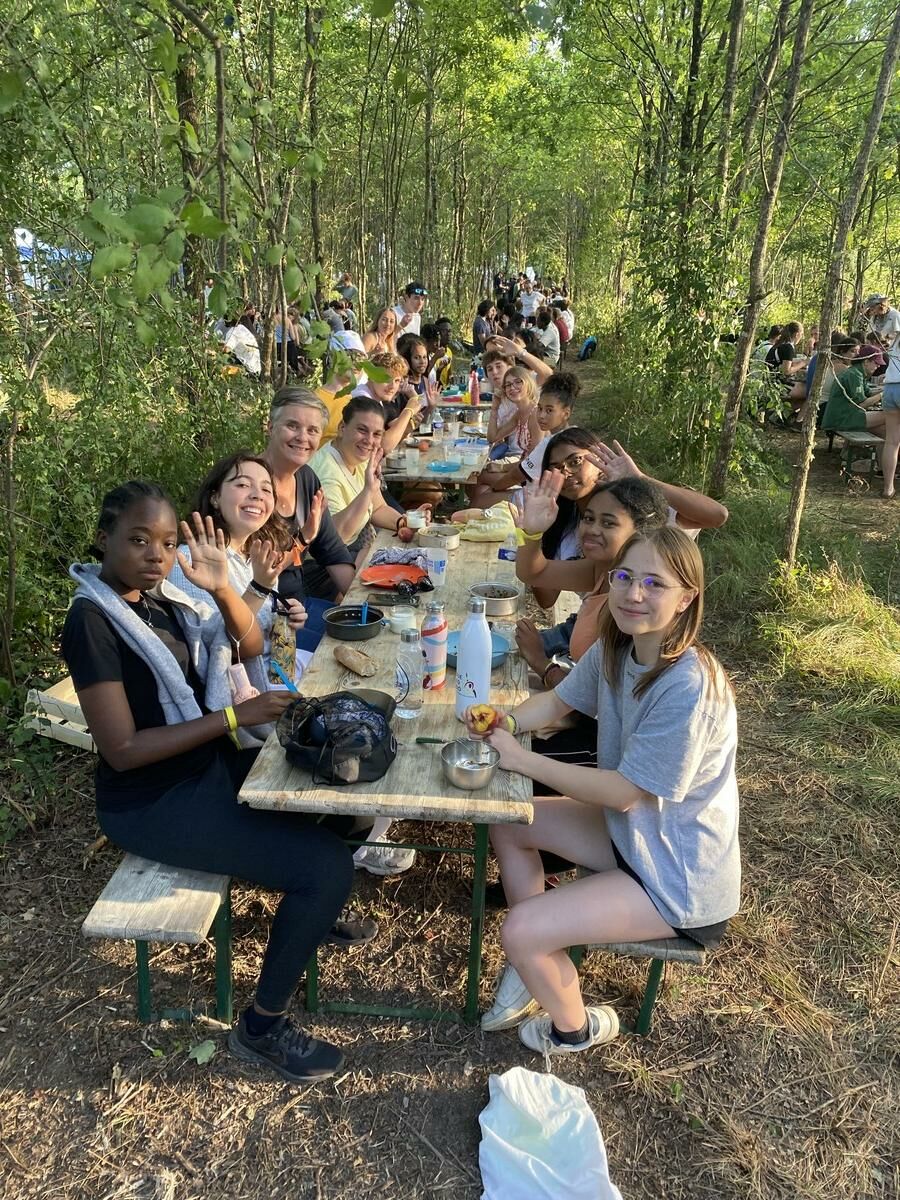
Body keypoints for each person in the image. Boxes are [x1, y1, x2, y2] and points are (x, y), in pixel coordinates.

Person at [62, 482, 368, 1084]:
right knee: (326, 868)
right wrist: (231, 718)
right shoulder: (92, 621)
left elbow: (249, 645)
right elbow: (122, 751)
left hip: (206, 766)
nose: (156, 553)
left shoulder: (169, 599)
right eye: (139, 539)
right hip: (152, 801)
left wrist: (222, 587)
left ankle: (309, 913)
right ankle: (262, 1029)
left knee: (344, 803)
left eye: (168, 542)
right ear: (103, 540)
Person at [469, 526, 740, 1053]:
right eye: (625, 577)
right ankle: (537, 962)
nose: (634, 594)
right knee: (508, 819)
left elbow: (621, 793)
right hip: (630, 834)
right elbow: (556, 704)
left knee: (519, 930)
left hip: (674, 877)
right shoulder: (618, 645)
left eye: (654, 584)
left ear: (687, 598)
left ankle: (576, 1028)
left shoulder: (689, 686)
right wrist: (505, 720)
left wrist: (522, 758)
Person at [167, 453, 307, 674]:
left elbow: (279, 655)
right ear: (215, 497)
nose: (257, 496)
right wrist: (258, 589)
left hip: (279, 672)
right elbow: (223, 650)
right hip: (245, 693)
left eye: (266, 489)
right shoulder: (189, 562)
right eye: (243, 484)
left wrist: (285, 620)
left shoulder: (257, 554)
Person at [263, 387, 355, 611]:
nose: (303, 437)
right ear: (270, 426)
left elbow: (332, 552)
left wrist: (363, 604)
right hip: (264, 615)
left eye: (313, 430)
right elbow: (260, 570)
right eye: (292, 425)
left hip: (300, 607)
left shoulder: (307, 479)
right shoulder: (248, 484)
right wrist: (303, 539)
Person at [821, 343, 887, 437]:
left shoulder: (858, 372)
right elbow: (862, 403)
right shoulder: (854, 375)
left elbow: (868, 393)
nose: (879, 366)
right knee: (890, 416)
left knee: (885, 430)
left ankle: (880, 451)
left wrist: (886, 389)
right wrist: (883, 394)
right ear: (866, 361)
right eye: (876, 363)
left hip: (845, 415)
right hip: (841, 418)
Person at [316, 330, 369, 443]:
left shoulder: (357, 400)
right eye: (350, 356)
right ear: (333, 358)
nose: (356, 363)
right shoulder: (315, 400)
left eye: (361, 358)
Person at [221, 309, 261, 376]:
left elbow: (226, 349)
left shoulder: (233, 331)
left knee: (222, 368)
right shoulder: (241, 328)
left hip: (249, 369)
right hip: (257, 367)